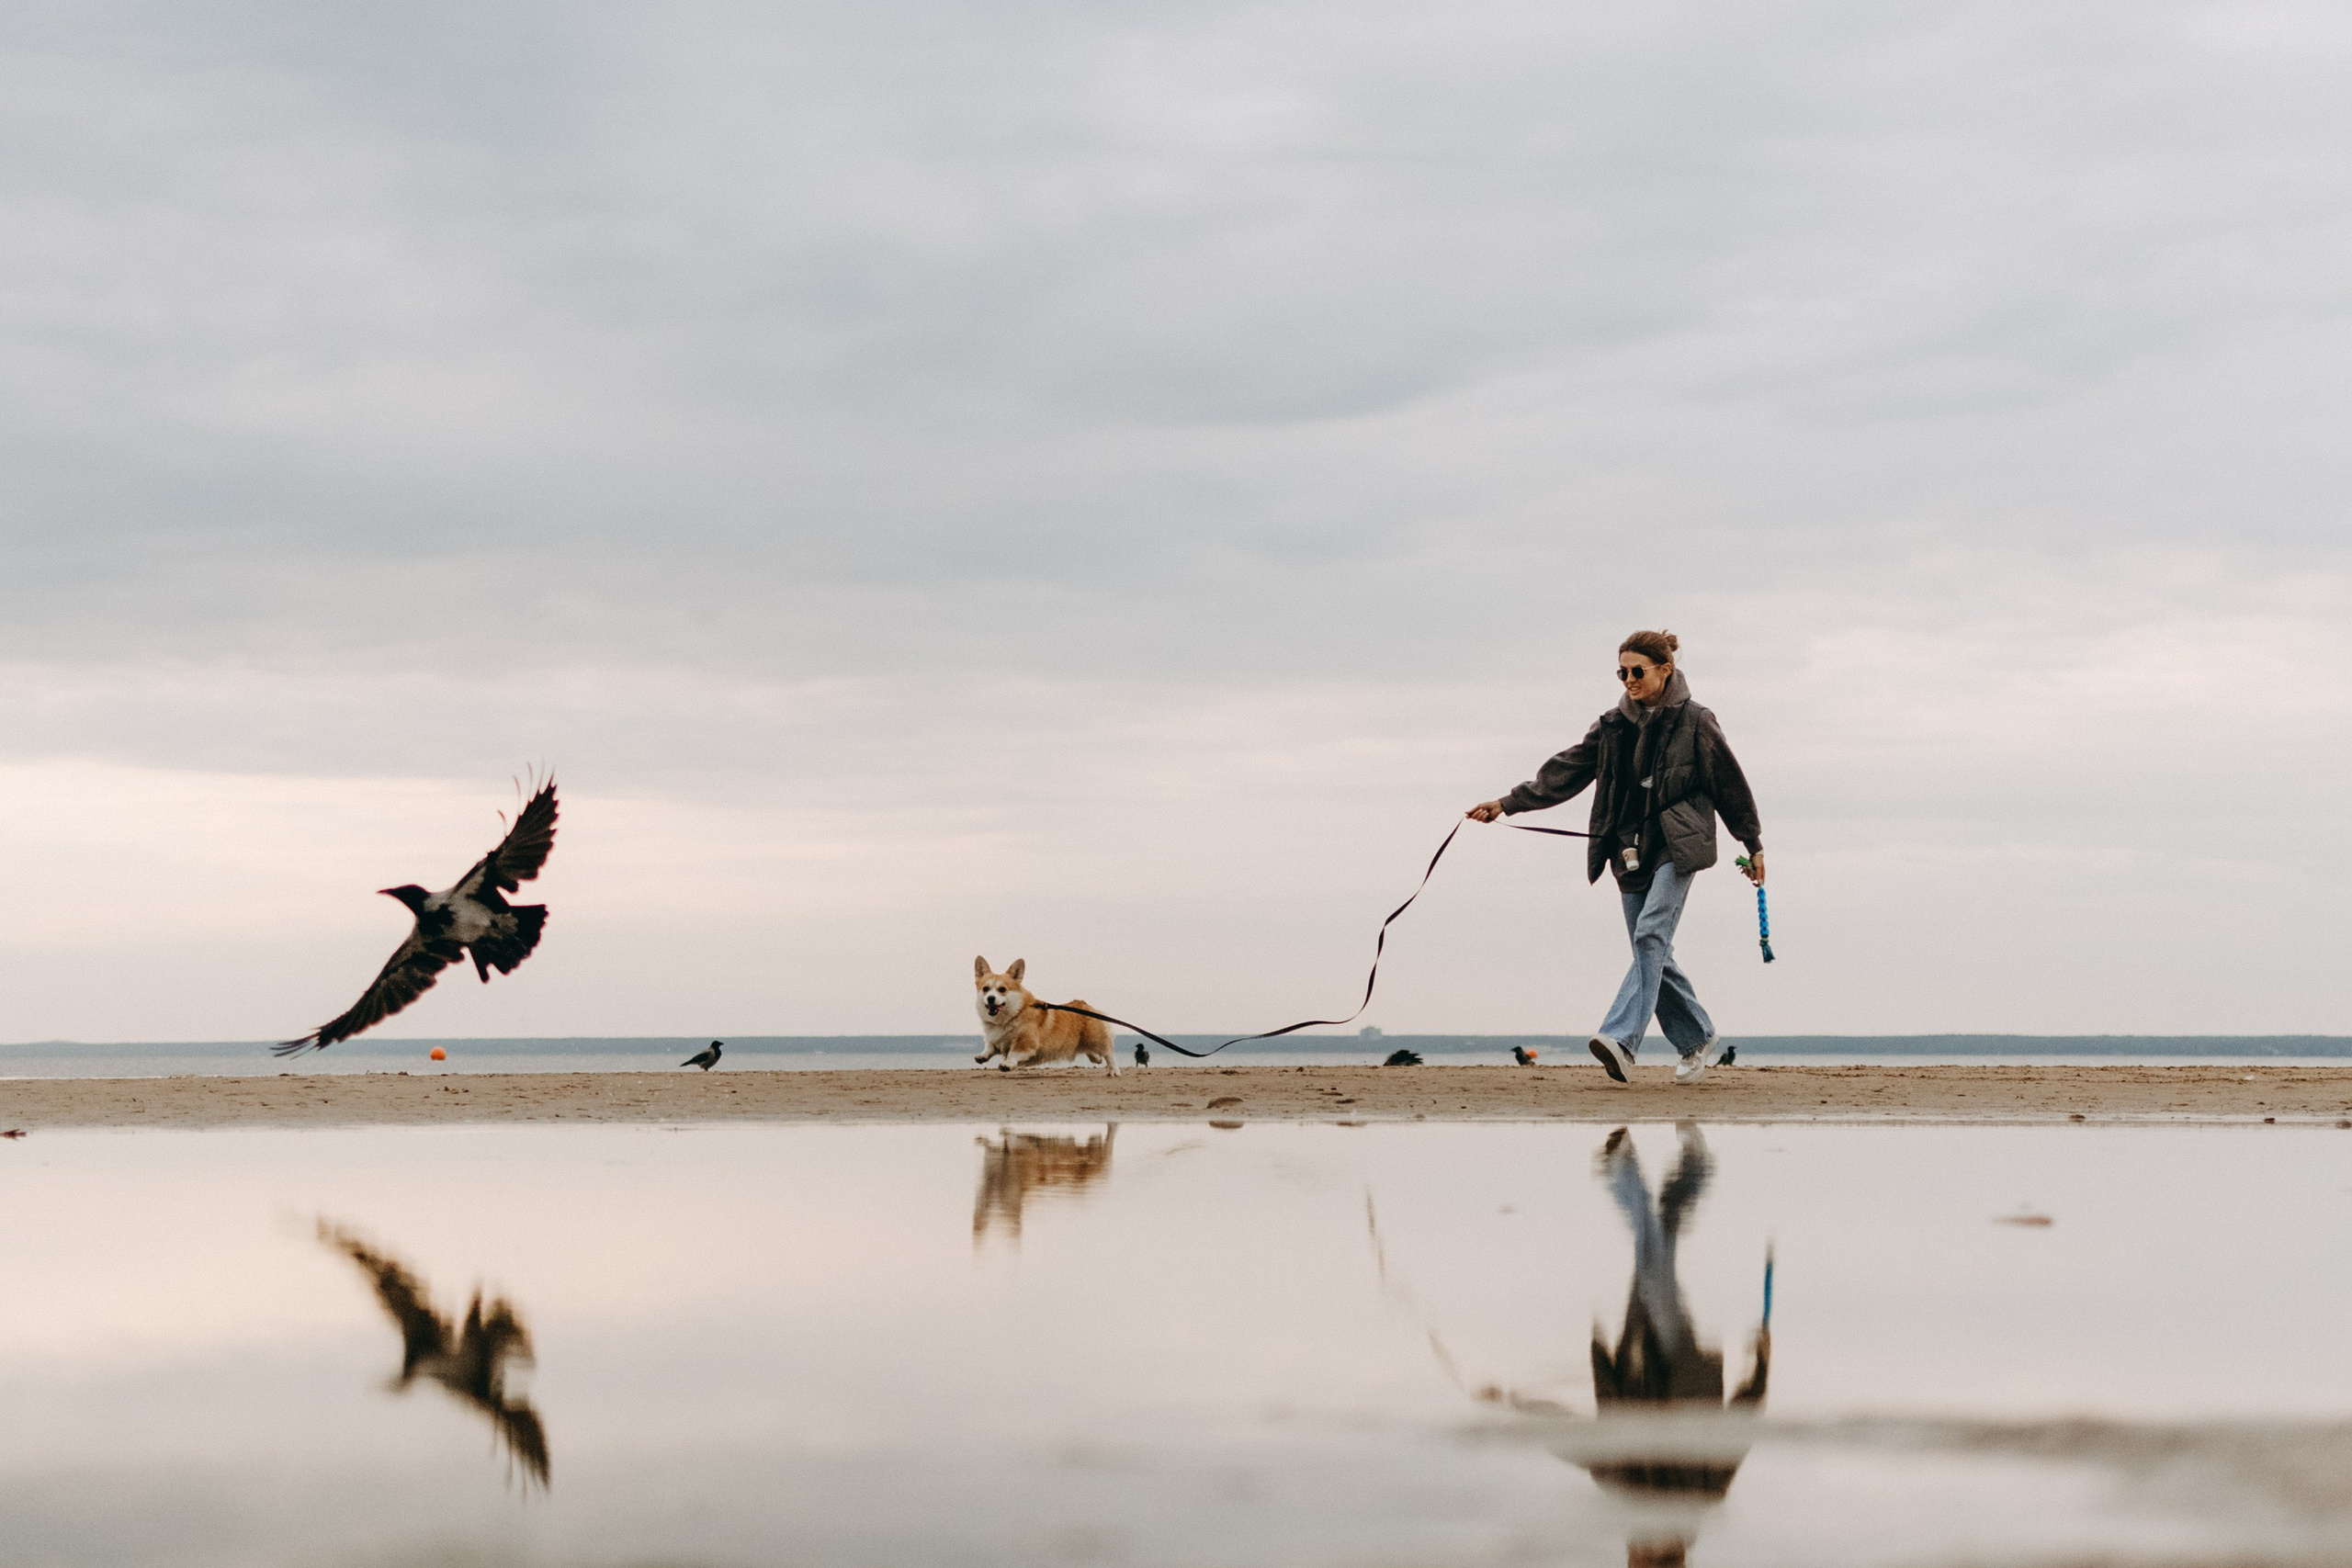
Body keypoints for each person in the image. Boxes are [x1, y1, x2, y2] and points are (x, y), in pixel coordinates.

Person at [1466, 630, 1763, 1084]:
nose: (1628, 679)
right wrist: (1507, 803)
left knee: (1650, 937)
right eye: (1621, 672)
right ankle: (1697, 1037)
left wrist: (1753, 844)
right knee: (1652, 950)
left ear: (1666, 670)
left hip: (1678, 845)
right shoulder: (1610, 725)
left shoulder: (1697, 721)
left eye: (1637, 671)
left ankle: (1622, 1041)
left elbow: (1730, 785)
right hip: (1626, 847)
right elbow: (1564, 771)